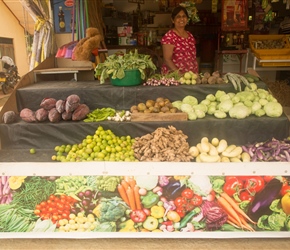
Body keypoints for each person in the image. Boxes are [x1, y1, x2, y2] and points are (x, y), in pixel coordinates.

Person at [161, 6, 198, 75]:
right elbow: (167, 60)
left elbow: (193, 57)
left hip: (190, 77)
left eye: (184, 16)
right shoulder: (169, 37)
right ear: (172, 20)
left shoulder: (190, 36)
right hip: (174, 77)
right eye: (178, 17)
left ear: (187, 19)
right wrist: (179, 75)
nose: (181, 19)